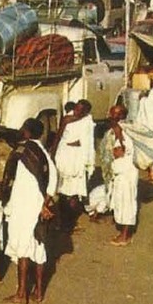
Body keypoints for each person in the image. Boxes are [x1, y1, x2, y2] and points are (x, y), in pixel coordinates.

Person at [0, 117, 57, 304]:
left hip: (23, 207)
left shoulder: (23, 151)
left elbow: (8, 178)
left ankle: (21, 293)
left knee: (23, 249)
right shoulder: (43, 153)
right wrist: (45, 203)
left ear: (28, 132)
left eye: (23, 128)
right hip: (38, 206)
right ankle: (39, 293)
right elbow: (53, 179)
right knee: (38, 249)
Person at [53, 98, 96, 230]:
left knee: (74, 192)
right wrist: (52, 154)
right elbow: (58, 137)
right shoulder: (67, 119)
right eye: (76, 108)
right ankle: (62, 221)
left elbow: (88, 142)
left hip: (77, 158)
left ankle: (70, 221)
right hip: (64, 155)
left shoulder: (87, 121)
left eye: (80, 110)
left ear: (85, 112)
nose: (77, 111)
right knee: (60, 190)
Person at [109, 143, 139, 246]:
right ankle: (124, 232)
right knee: (123, 203)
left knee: (126, 204)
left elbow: (118, 153)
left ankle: (124, 236)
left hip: (126, 176)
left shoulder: (124, 137)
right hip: (125, 174)